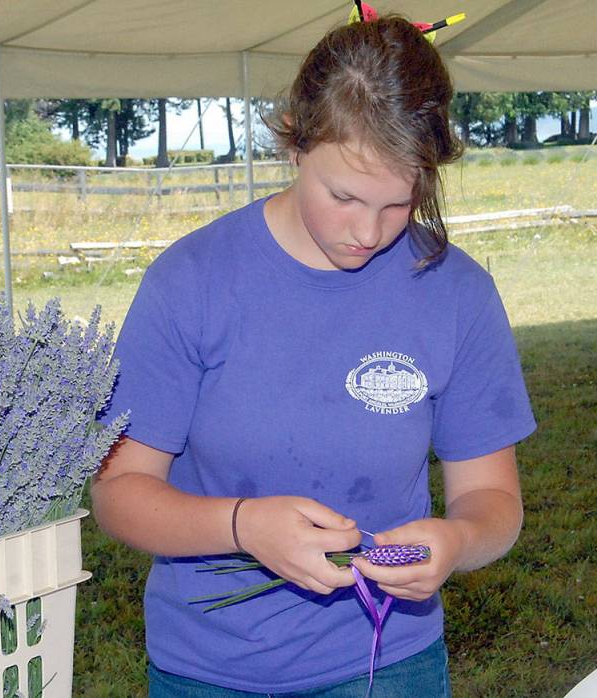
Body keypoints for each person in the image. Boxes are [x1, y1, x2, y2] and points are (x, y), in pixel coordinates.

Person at [92, 12, 536, 698]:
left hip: (389, 666)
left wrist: (455, 543)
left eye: (399, 203)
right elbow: (118, 495)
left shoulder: (458, 293)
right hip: (211, 672)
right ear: (295, 144)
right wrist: (243, 526)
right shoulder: (194, 280)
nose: (368, 232)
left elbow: (493, 500)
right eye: (345, 196)